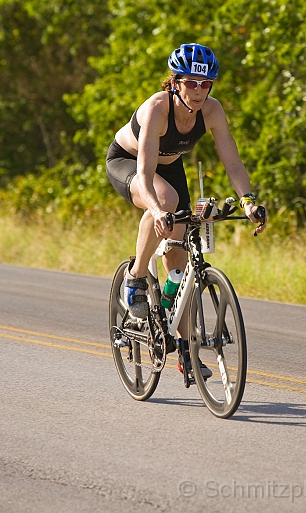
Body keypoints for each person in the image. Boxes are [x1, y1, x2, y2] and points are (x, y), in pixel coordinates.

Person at [106, 43, 266, 377]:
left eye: (205, 84)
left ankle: (186, 352)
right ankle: (134, 277)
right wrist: (156, 209)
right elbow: (147, 173)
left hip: (172, 167)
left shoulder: (212, 111)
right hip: (129, 163)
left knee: (179, 259)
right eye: (191, 82)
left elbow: (232, 162)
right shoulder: (157, 109)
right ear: (176, 81)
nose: (198, 91)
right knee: (165, 203)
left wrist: (248, 201)